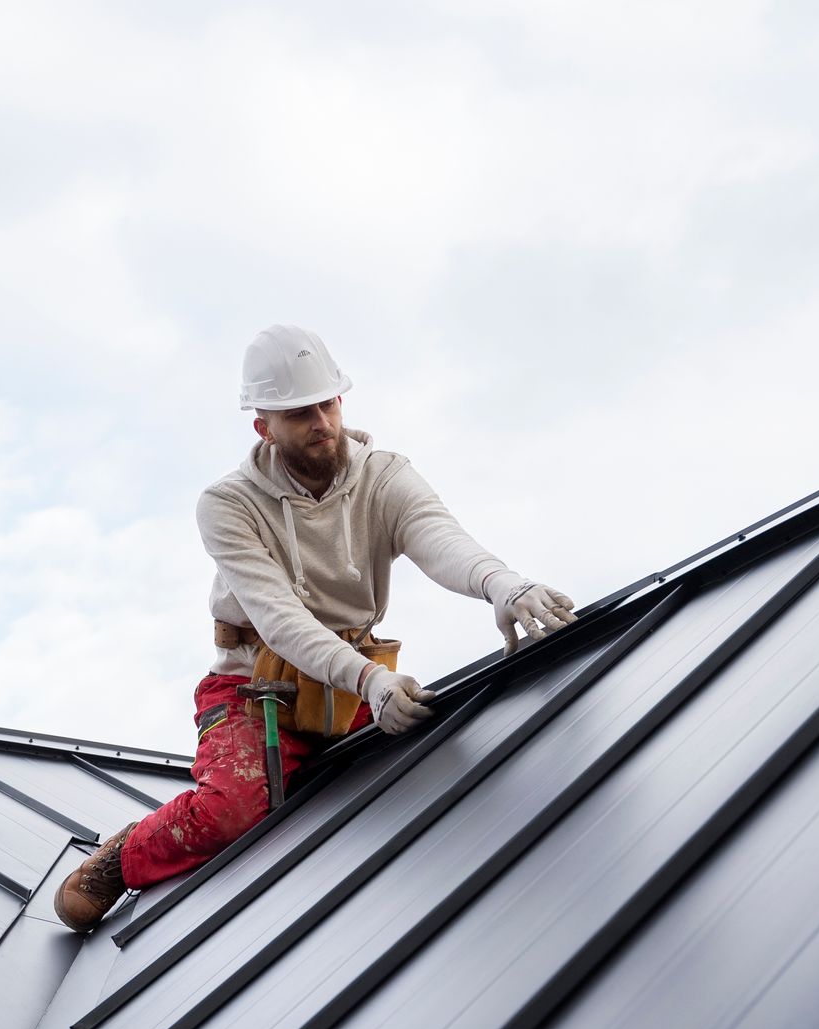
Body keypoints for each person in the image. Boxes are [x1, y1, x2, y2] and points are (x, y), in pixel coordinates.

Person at [53, 324, 577, 928]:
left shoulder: (384, 475)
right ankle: (124, 856)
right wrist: (371, 683)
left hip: (350, 683)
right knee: (232, 810)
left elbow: (439, 537)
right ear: (264, 427)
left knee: (439, 752)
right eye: (298, 413)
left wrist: (502, 585)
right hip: (256, 691)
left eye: (327, 403)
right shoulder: (228, 505)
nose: (320, 422)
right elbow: (280, 620)